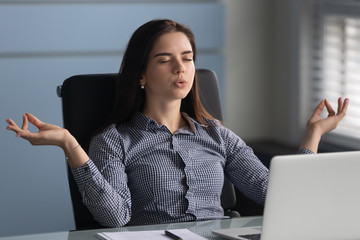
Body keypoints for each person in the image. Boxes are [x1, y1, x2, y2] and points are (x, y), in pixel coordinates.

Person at [6, 19, 349, 228]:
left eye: (187, 59)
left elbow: (276, 194)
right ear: (141, 75)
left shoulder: (216, 134)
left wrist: (312, 135)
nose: (181, 69)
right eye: (165, 60)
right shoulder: (114, 140)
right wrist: (70, 144)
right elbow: (115, 218)